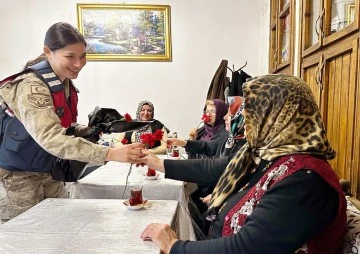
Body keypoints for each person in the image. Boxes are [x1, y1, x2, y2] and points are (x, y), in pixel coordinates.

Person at [139, 74, 346, 254]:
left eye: (252, 113)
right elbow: (214, 168)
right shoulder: (266, 156)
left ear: (280, 117)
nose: (244, 121)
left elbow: (247, 248)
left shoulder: (304, 180)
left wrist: (174, 246)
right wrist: (156, 162)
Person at [0, 22, 143, 222]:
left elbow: (60, 126)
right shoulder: (32, 86)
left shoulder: (63, 81)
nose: (78, 63)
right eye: (70, 56)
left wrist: (87, 130)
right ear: (48, 52)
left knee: (57, 224)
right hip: (19, 176)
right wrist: (110, 154)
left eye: (83, 56)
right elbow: (51, 138)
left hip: (48, 169)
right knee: (27, 232)